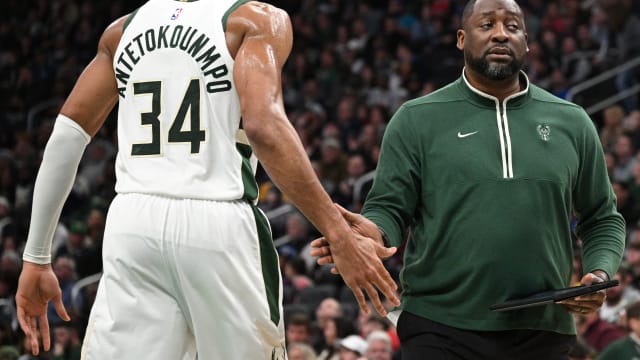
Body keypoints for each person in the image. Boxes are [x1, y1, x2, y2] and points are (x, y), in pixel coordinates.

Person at [14, 1, 399, 358]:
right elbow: (263, 126)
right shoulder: (254, 20)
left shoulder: (121, 30)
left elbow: (66, 136)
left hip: (132, 222)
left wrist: (36, 257)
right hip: (217, 219)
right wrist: (339, 233)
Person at [312, 0, 626, 358]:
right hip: (440, 326)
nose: (499, 34)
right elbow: (388, 207)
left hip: (542, 328)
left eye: (512, 26)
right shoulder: (416, 119)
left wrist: (599, 274)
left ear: (527, 42)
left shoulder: (572, 122)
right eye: (486, 24)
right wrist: (371, 236)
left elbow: (602, 217)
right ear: (461, 39)